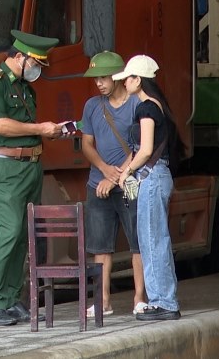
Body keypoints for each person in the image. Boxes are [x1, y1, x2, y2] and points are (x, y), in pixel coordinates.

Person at [0, 29, 62, 327]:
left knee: (24, 234)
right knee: (8, 232)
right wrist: (40, 129)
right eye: (35, 62)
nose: (38, 69)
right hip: (7, 167)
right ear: (20, 57)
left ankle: (10, 299)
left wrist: (50, 131)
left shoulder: (24, 88)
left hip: (30, 165)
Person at [113, 54, 182, 321]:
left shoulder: (146, 109)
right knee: (155, 239)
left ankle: (163, 301)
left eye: (127, 78)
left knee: (152, 240)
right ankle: (164, 299)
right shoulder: (157, 106)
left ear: (137, 80)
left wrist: (127, 171)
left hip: (151, 179)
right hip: (157, 176)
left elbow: (145, 150)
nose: (124, 83)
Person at [79, 51, 147, 317]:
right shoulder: (92, 106)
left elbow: (142, 145)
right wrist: (105, 171)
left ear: (119, 77)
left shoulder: (135, 104)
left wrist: (119, 175)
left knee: (137, 243)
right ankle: (103, 300)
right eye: (96, 78)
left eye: (104, 77)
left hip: (129, 183)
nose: (99, 83)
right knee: (100, 246)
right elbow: (86, 143)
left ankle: (139, 298)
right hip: (98, 184)